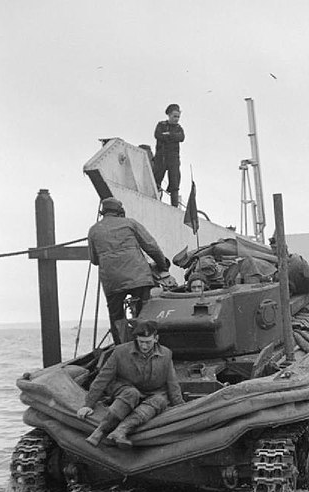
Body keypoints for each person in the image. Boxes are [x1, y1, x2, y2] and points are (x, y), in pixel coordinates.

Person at [77, 320, 183, 448]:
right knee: (131, 393)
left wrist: (180, 407)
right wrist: (88, 404)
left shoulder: (166, 354)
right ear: (136, 339)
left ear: (156, 339)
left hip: (153, 392)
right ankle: (100, 430)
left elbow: (172, 383)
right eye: (141, 342)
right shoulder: (120, 352)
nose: (144, 346)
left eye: (148, 342)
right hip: (125, 388)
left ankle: (121, 431)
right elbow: (102, 378)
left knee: (160, 400)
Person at [88, 197, 170, 344]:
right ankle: (146, 342)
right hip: (139, 277)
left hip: (112, 281)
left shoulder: (94, 230)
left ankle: (122, 347)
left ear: (103, 212)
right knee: (145, 310)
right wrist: (162, 264)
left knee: (116, 316)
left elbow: (94, 260)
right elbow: (151, 246)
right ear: (120, 211)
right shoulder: (130, 224)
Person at [153, 103, 185, 207]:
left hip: (173, 159)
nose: (176, 119)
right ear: (169, 115)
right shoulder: (161, 125)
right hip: (161, 157)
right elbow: (157, 135)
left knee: (174, 183)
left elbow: (181, 137)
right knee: (156, 180)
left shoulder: (178, 128)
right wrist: (172, 137)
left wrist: (168, 135)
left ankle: (174, 206)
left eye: (178, 117)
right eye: (174, 116)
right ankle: (155, 201)